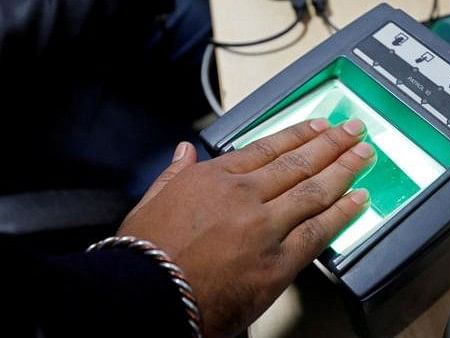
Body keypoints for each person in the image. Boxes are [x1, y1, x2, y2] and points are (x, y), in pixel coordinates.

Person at [0, 1, 375, 337]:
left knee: (205, 16)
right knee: (232, 162)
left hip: (47, 63)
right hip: (53, 235)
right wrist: (154, 286)